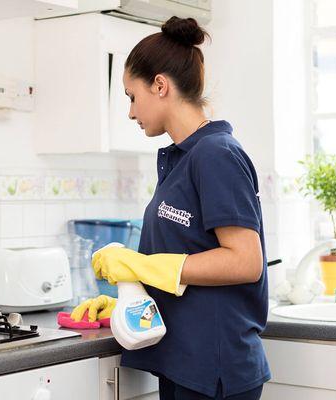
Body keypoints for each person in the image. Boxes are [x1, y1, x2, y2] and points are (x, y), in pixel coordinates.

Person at [71, 16, 271, 400]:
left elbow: (245, 261)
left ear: (160, 85)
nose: (130, 112)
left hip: (216, 369)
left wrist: (141, 264)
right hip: (184, 362)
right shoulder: (181, 159)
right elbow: (188, 265)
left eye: (132, 96)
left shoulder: (216, 154)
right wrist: (125, 301)